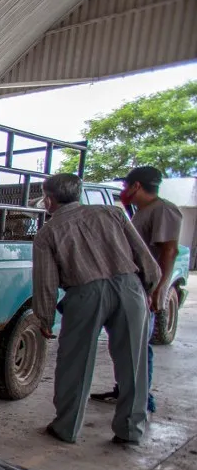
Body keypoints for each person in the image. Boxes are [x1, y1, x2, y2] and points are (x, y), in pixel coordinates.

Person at [31, 173, 160, 445]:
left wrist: (45, 318)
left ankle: (66, 428)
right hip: (129, 287)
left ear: (49, 199)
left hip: (84, 293)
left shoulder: (47, 233)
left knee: (75, 362)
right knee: (133, 362)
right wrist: (146, 289)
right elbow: (145, 258)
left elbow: (46, 282)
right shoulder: (112, 213)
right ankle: (130, 431)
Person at [90, 166, 182, 413]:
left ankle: (141, 399)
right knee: (125, 344)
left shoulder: (163, 210)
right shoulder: (142, 211)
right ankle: (125, 391)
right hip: (132, 288)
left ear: (136, 186)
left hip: (145, 290)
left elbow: (168, 251)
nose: (123, 191)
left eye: (125, 186)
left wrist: (156, 291)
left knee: (139, 348)